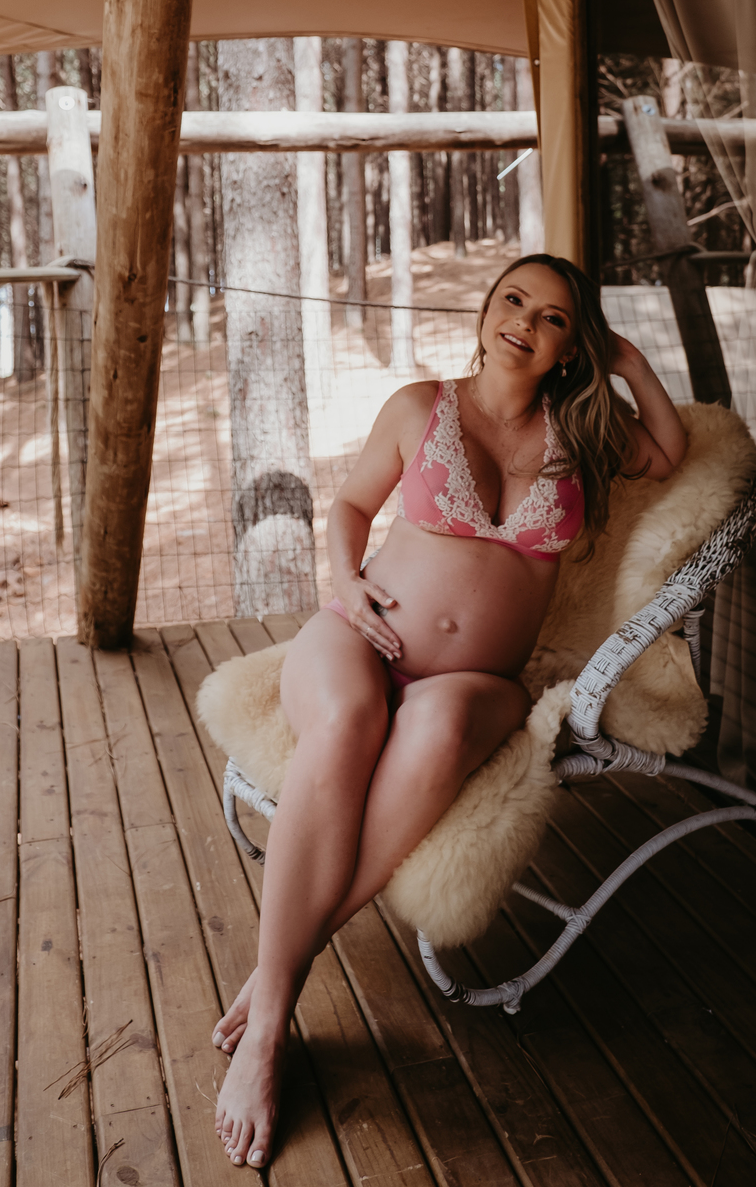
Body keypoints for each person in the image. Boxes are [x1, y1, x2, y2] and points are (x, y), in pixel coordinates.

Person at [213, 253, 687, 1167]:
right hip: (358, 638)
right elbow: (351, 504)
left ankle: (275, 976)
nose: (526, 323)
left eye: (554, 318)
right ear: (486, 310)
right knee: (347, 725)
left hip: (472, 684)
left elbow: (667, 454)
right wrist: (346, 584)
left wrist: (626, 361)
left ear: (570, 347)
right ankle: (271, 1025)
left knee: (432, 728)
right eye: (514, 300)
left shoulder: (584, 433)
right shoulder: (419, 407)